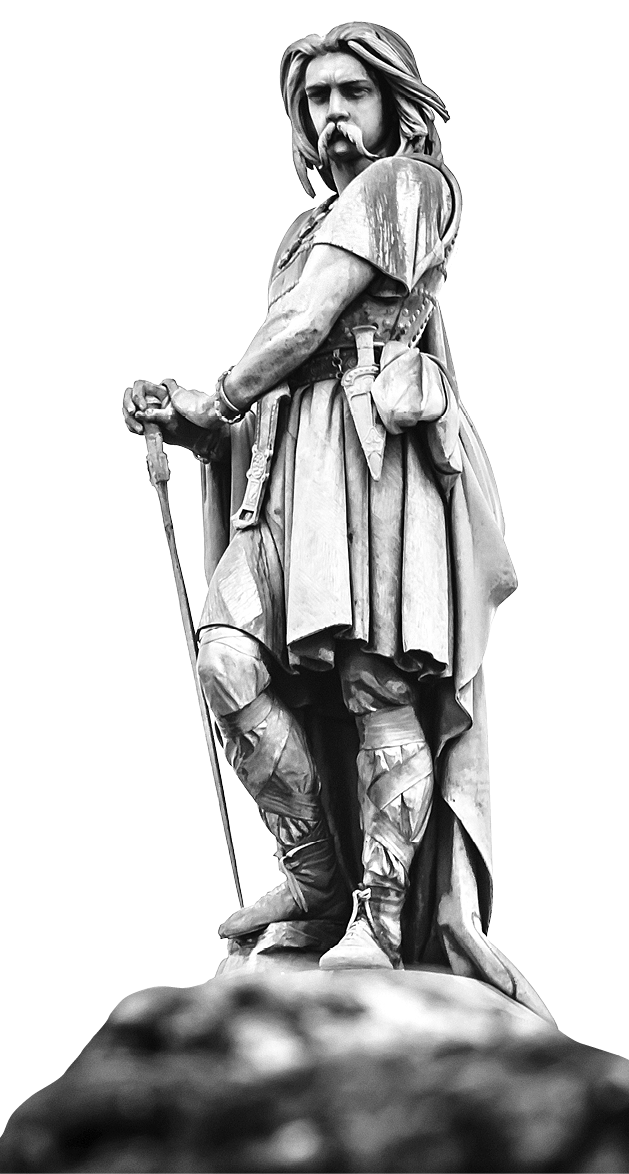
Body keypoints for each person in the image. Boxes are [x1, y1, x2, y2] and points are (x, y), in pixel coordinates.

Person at [123, 22, 551, 1019]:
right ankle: (315, 877)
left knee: (373, 680)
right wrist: (198, 420)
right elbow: (283, 351)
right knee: (228, 659)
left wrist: (214, 393)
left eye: (349, 92)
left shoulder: (408, 186)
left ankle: (380, 913)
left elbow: (311, 319)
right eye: (315, 98)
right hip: (284, 465)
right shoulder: (301, 226)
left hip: (370, 461)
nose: (330, 114)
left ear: (392, 101)